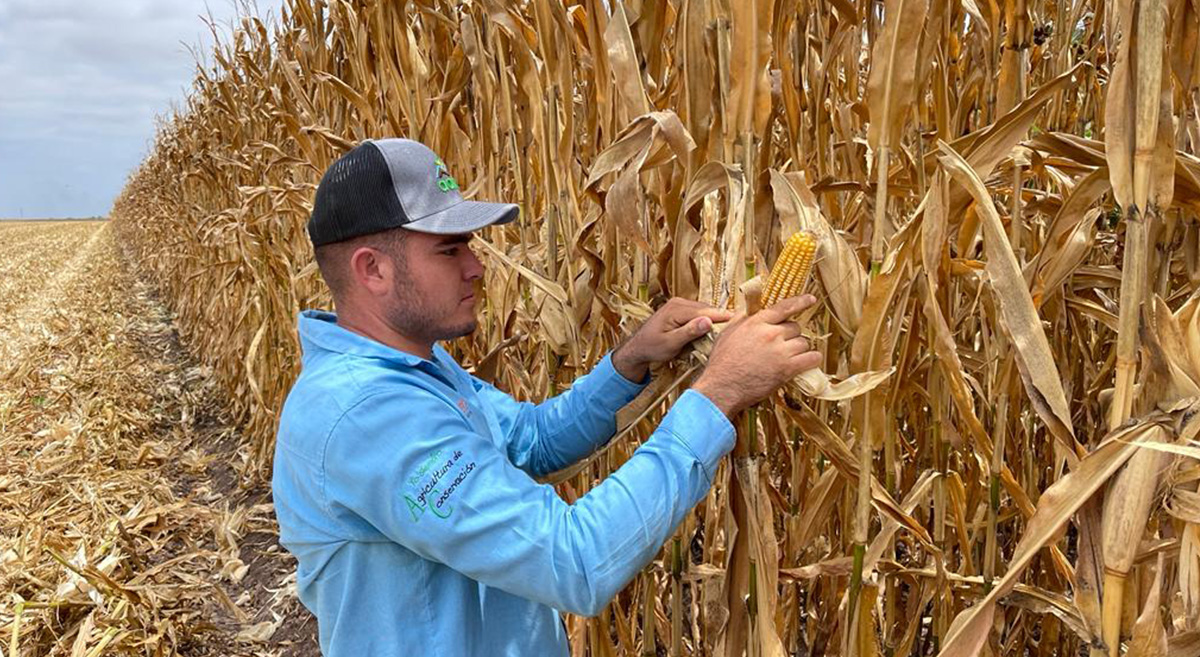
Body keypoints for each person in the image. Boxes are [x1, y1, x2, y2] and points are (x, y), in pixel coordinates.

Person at [272, 138, 821, 656]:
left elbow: (531, 440)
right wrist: (718, 392)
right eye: (450, 249)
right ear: (373, 269)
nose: (477, 266)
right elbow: (574, 561)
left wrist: (630, 362)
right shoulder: (365, 414)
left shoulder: (416, 366)